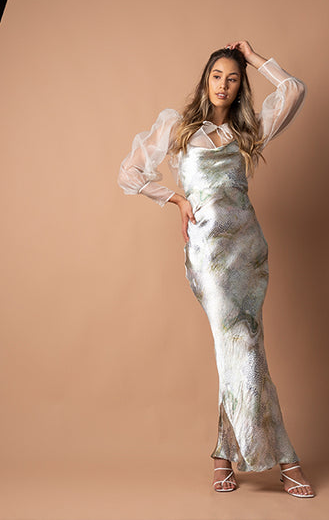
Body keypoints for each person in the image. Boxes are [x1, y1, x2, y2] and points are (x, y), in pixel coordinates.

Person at [117, 40, 313, 498]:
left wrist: (255, 55)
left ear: (241, 85)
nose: (223, 85)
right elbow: (130, 172)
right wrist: (177, 199)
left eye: (233, 77)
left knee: (240, 353)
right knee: (244, 350)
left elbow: (294, 89)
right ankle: (288, 461)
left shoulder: (247, 133)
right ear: (205, 82)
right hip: (209, 257)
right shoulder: (180, 129)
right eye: (216, 76)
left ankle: (223, 460)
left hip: (249, 251)